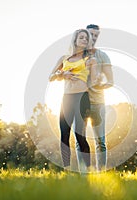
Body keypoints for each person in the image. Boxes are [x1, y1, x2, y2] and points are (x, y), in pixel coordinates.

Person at [49, 29, 99, 171]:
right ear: (75, 40)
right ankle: (67, 170)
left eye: (86, 38)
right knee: (64, 134)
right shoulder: (64, 59)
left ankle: (87, 170)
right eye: (81, 37)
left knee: (80, 135)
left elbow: (94, 81)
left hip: (82, 98)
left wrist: (97, 79)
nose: (84, 40)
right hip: (66, 98)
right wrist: (62, 73)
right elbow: (51, 77)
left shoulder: (90, 60)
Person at [76, 24, 113, 172]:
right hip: (79, 102)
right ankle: (84, 173)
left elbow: (110, 81)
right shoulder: (76, 55)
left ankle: (101, 173)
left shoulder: (102, 56)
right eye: (91, 34)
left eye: (96, 35)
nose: (94, 38)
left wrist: (100, 83)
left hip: (98, 103)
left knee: (100, 141)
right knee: (80, 140)